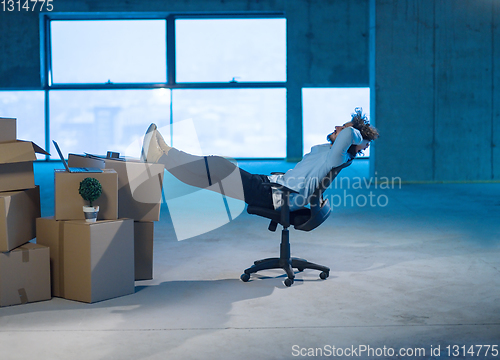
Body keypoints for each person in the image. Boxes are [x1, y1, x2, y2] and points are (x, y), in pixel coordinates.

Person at [141, 108, 379, 211]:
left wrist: (359, 133)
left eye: (343, 127)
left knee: (217, 166)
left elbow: (349, 134)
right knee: (212, 174)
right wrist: (353, 132)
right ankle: (164, 155)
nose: (338, 127)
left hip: (280, 195)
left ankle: (164, 156)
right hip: (276, 186)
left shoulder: (339, 157)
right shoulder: (330, 154)